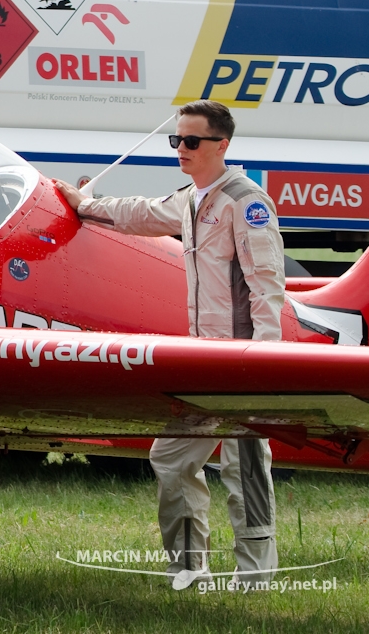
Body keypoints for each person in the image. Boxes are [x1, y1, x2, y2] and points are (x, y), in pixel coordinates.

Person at [55, 99, 285, 588]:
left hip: (243, 361)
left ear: (222, 145)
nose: (182, 148)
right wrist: (85, 206)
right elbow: (142, 213)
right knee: (170, 458)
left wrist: (265, 360)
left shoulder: (247, 202)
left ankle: (256, 580)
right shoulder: (192, 198)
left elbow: (266, 287)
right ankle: (189, 571)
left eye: (192, 141)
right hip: (203, 359)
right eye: (177, 139)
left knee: (244, 468)